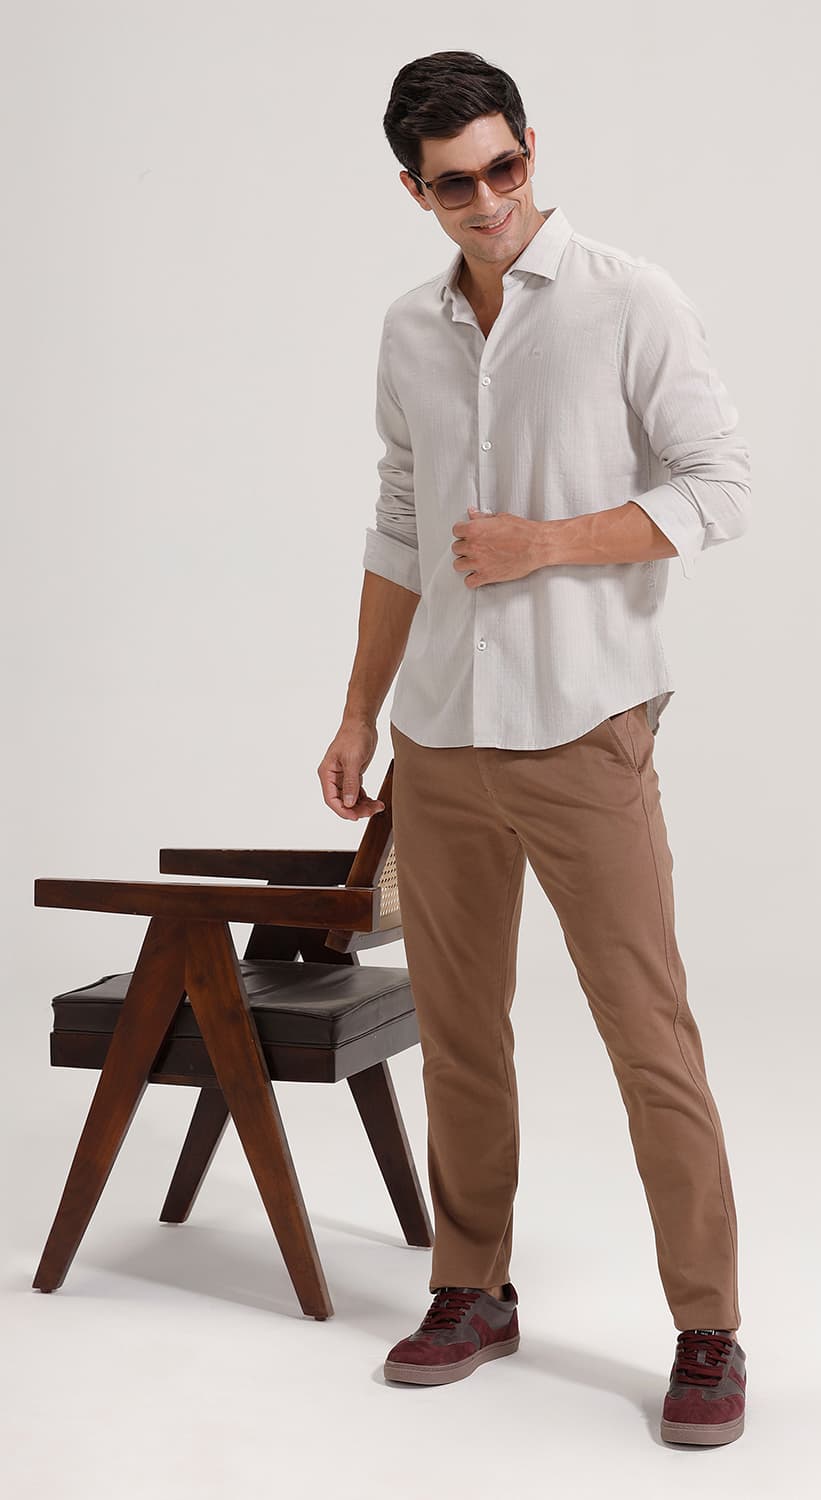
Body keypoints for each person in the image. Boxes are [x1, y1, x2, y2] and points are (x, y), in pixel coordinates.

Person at [317, 50, 750, 1446]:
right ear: (416, 191)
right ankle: (471, 1288)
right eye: (457, 185)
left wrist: (545, 545)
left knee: (647, 1031)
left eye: (505, 168)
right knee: (459, 1031)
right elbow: (401, 524)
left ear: (530, 150)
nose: (491, 201)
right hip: (441, 737)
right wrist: (359, 711)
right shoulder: (409, 330)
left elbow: (720, 487)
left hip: (586, 728)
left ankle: (708, 1328)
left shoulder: (629, 299)